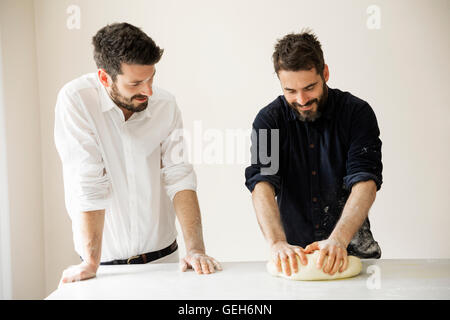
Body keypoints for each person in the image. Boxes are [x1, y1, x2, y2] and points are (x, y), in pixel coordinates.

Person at [55, 22, 221, 284]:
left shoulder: (165, 105)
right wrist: (90, 262)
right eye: (135, 83)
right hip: (103, 268)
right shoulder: (76, 100)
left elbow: (179, 176)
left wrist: (196, 250)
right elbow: (88, 182)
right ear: (104, 78)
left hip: (166, 261)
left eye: (151, 77)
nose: (148, 91)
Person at [245, 30, 383, 277]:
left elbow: (365, 182)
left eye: (309, 87)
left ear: (325, 73)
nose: (301, 99)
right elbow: (262, 184)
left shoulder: (357, 114)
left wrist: (338, 240)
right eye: (290, 91)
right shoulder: (268, 121)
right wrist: (277, 243)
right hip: (297, 257)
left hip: (352, 252)